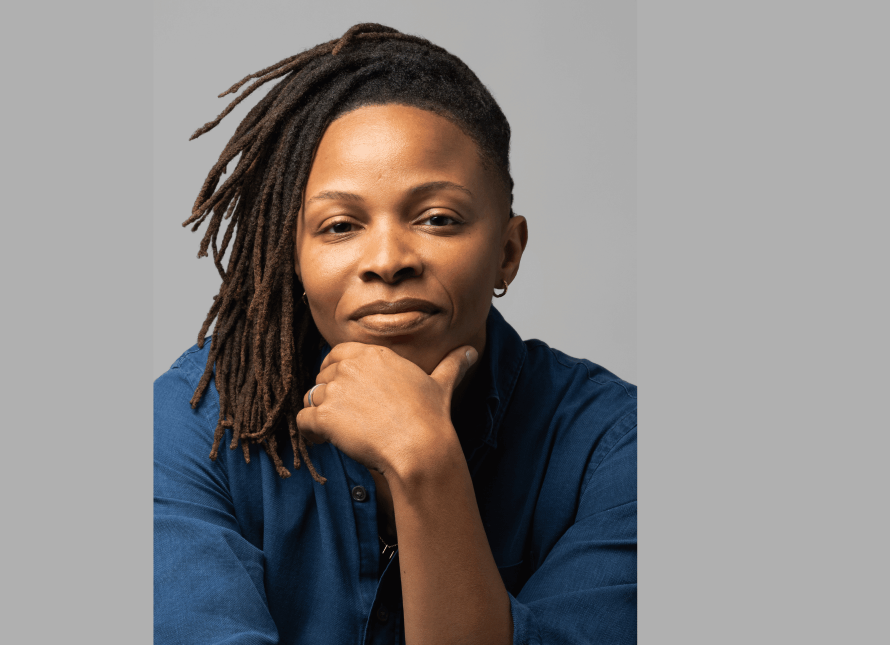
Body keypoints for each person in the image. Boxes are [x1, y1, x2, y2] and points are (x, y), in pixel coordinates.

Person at [154, 24, 636, 645]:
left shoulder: (615, 450)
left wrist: (423, 462)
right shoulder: (193, 425)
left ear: (507, 252)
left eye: (437, 218)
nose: (387, 259)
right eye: (338, 226)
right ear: (292, 255)